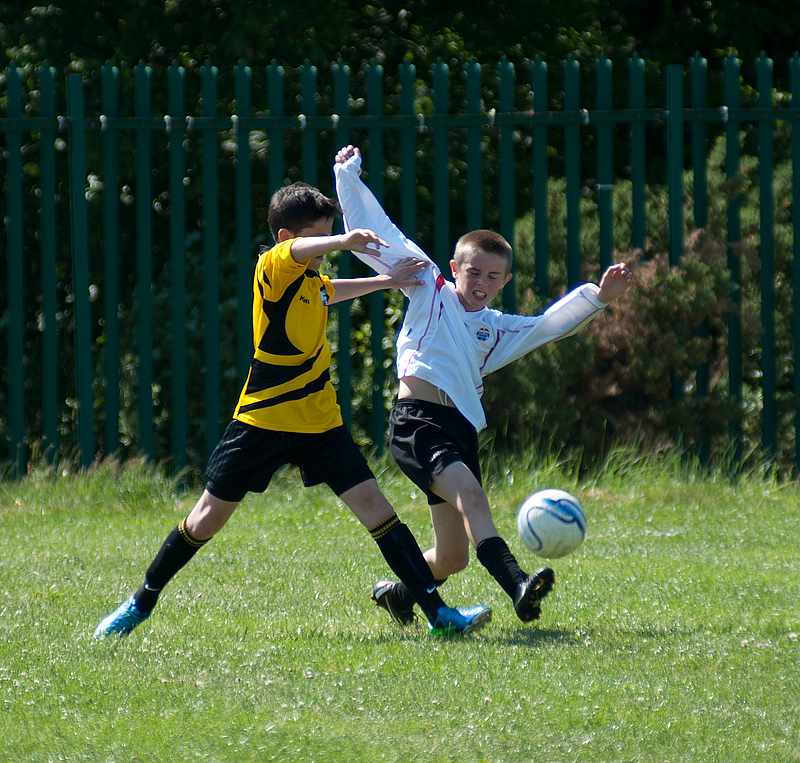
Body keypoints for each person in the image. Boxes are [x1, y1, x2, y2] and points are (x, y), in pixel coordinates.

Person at [94, 180, 492, 639]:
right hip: (262, 420)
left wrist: (388, 280)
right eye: (316, 238)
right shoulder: (273, 266)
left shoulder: (309, 280)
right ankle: (140, 602)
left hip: (320, 421)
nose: (322, 249)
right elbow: (300, 252)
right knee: (206, 519)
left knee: (377, 509)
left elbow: (327, 291)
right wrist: (343, 240)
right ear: (287, 238)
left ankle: (438, 614)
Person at [334, 146, 632, 626]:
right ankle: (518, 586)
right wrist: (348, 177)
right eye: (473, 271)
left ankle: (400, 596)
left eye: (493, 276)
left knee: (452, 558)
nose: (481, 281)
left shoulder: (494, 329)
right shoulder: (429, 288)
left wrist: (599, 297)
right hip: (418, 424)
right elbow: (380, 234)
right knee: (474, 498)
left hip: (459, 433)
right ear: (455, 269)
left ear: (505, 280)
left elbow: (547, 326)